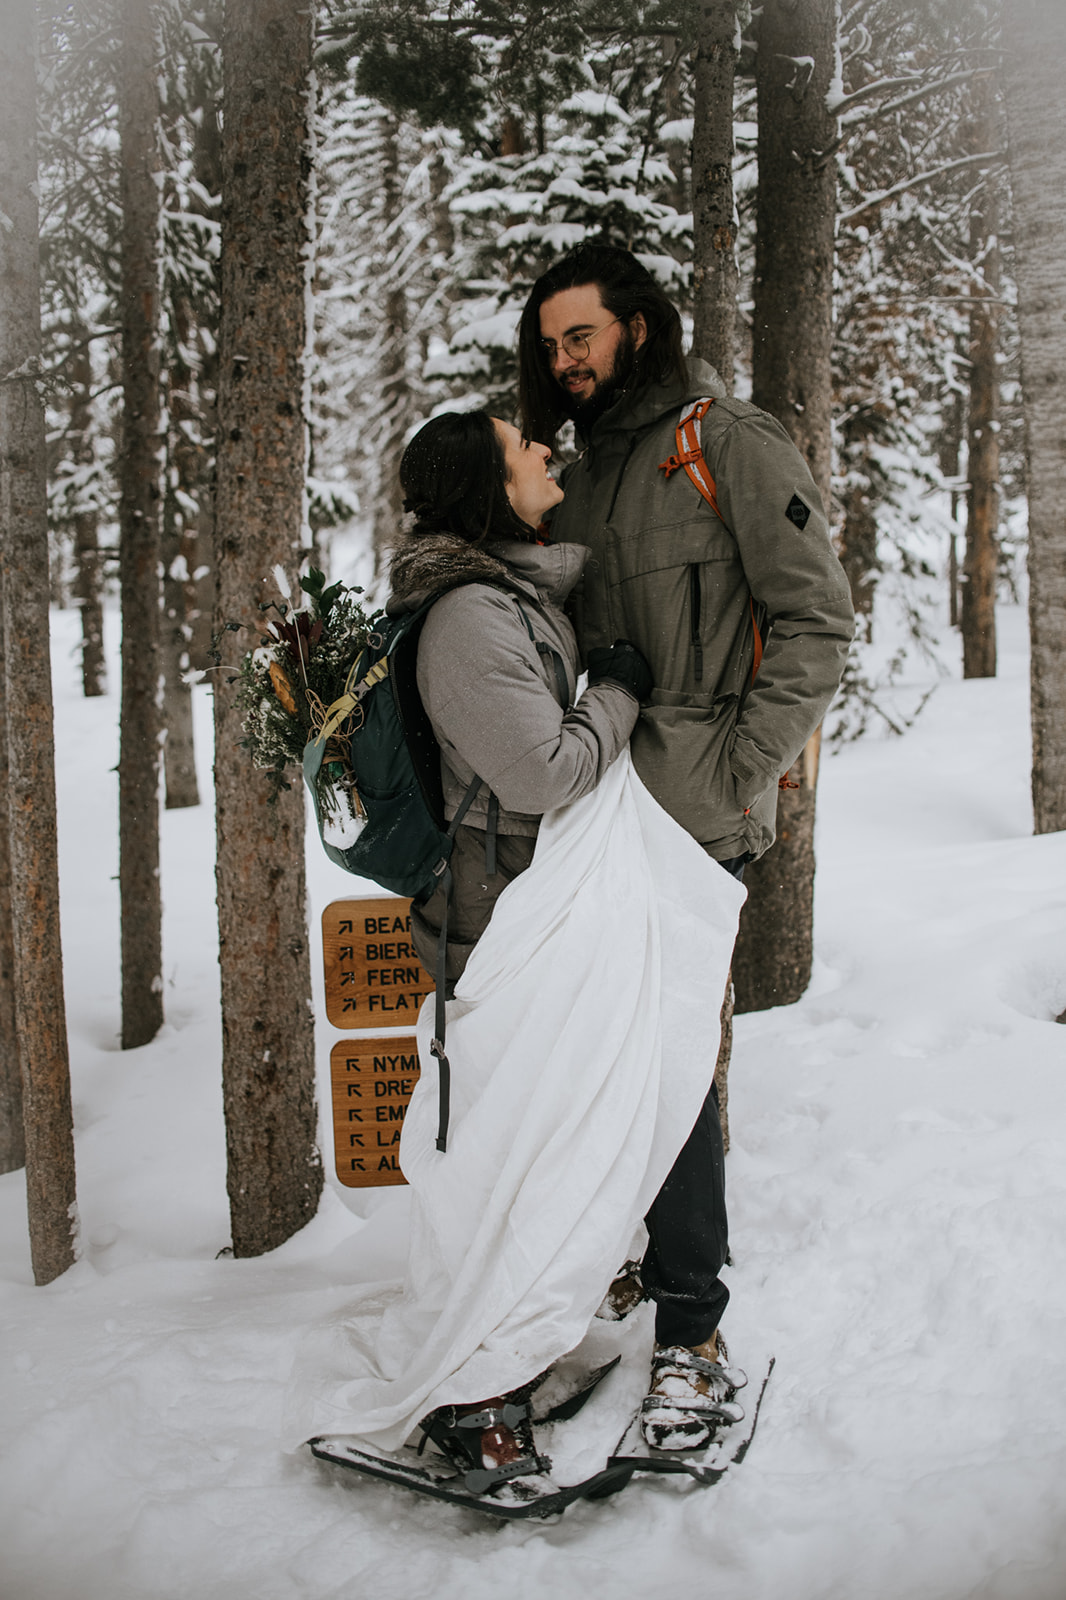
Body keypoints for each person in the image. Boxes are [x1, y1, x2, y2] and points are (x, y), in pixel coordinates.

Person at [517, 242, 856, 1449]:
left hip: (691, 816)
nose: (562, 363)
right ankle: (593, 1284)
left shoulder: (725, 443)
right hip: (590, 815)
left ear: (638, 330)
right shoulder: (579, 469)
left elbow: (818, 618)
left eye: (581, 338)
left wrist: (734, 766)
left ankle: (692, 1336)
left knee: (669, 1073)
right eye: (550, 344)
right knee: (593, 1068)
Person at [386, 408, 652, 1490]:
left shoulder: (513, 598)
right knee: (498, 1162)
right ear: (488, 490)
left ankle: (517, 1353)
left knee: (544, 1152)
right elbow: (541, 773)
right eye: (521, 446)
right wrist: (616, 691)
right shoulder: (466, 621)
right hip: (500, 924)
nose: (547, 452)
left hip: (537, 910)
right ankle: (467, 1396)